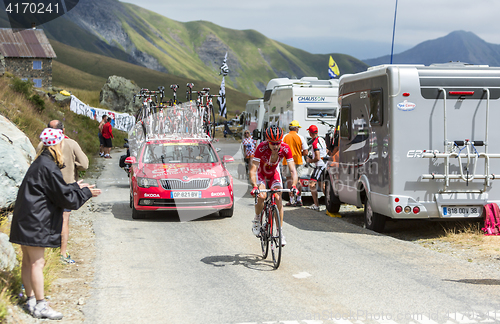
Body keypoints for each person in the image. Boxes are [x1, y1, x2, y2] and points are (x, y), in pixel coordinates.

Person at [10, 128, 101, 320]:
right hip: (36, 222)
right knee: (37, 262)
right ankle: (41, 305)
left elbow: (54, 190)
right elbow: (65, 199)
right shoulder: (49, 166)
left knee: (27, 261)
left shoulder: (40, 162)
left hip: (25, 219)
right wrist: (85, 193)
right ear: (57, 144)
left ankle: (31, 300)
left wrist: (76, 186)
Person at [249, 125, 298, 246]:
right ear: (267, 141)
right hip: (261, 173)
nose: (275, 146)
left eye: (277, 143)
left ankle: (279, 232)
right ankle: (256, 219)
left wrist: (294, 186)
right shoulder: (261, 147)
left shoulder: (285, 148)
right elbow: (253, 169)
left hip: (274, 174)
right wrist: (255, 185)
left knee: (277, 198)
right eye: (272, 143)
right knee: (261, 196)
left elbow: (293, 170)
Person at [48, 120, 89, 264]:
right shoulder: (71, 144)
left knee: (49, 217)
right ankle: (62, 253)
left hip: (48, 187)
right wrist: (73, 164)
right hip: (68, 186)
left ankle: (48, 248)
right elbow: (84, 164)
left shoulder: (43, 144)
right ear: (63, 130)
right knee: (64, 219)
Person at [282, 120, 308, 207]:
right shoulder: (300, 137)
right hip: (298, 161)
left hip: (287, 162)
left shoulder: (285, 137)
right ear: (296, 128)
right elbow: (306, 152)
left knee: (289, 181)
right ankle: (299, 199)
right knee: (298, 181)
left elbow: (280, 148)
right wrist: (299, 153)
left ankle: (291, 200)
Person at [305, 125, 328, 211]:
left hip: (319, 165)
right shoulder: (322, 139)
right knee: (322, 185)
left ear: (310, 133)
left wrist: (310, 160)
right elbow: (326, 150)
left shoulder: (314, 143)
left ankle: (316, 205)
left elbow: (317, 157)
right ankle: (329, 204)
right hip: (324, 164)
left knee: (311, 184)